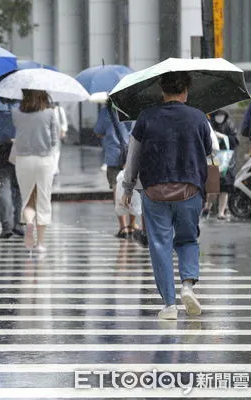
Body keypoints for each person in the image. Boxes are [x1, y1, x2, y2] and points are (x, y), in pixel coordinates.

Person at [122, 71, 212, 320]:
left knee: (160, 245)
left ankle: (169, 305)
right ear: (186, 91)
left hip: (154, 190)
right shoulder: (198, 117)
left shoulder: (146, 117)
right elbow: (209, 149)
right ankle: (187, 285)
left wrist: (128, 188)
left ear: (162, 92)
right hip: (189, 188)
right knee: (187, 240)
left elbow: (134, 156)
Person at [12, 89, 58, 252]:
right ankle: (41, 243)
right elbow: (54, 140)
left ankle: (29, 222)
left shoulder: (16, 112)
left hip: (23, 160)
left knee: (28, 198)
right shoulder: (50, 113)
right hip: (44, 160)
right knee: (43, 199)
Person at [94, 104, 137, 238]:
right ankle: (132, 224)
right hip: (131, 155)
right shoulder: (132, 108)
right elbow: (136, 132)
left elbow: (98, 131)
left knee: (116, 188)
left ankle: (123, 226)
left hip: (113, 156)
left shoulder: (106, 112)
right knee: (133, 188)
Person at [0, 97, 24, 239]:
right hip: (20, 148)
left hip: (1, 149)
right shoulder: (24, 107)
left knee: (3, 186)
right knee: (19, 187)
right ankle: (19, 223)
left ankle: (6, 225)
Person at [205, 109, 239, 220]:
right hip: (213, 158)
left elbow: (235, 141)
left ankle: (221, 212)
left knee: (225, 187)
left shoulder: (229, 124)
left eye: (222, 115)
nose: (220, 117)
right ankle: (208, 206)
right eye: (218, 114)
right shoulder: (209, 124)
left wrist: (223, 137)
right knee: (213, 187)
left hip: (227, 161)